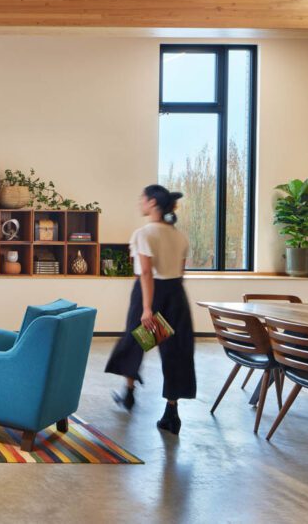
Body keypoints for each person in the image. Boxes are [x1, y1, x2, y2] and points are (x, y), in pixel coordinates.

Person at [105, 185, 196, 435]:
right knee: (175, 351)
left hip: (150, 293)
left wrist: (147, 307)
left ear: (152, 202)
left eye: (141, 199)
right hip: (176, 294)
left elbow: (146, 272)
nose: (139, 203)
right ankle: (171, 412)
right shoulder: (179, 236)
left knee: (135, 343)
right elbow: (181, 274)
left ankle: (129, 394)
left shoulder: (144, 233)